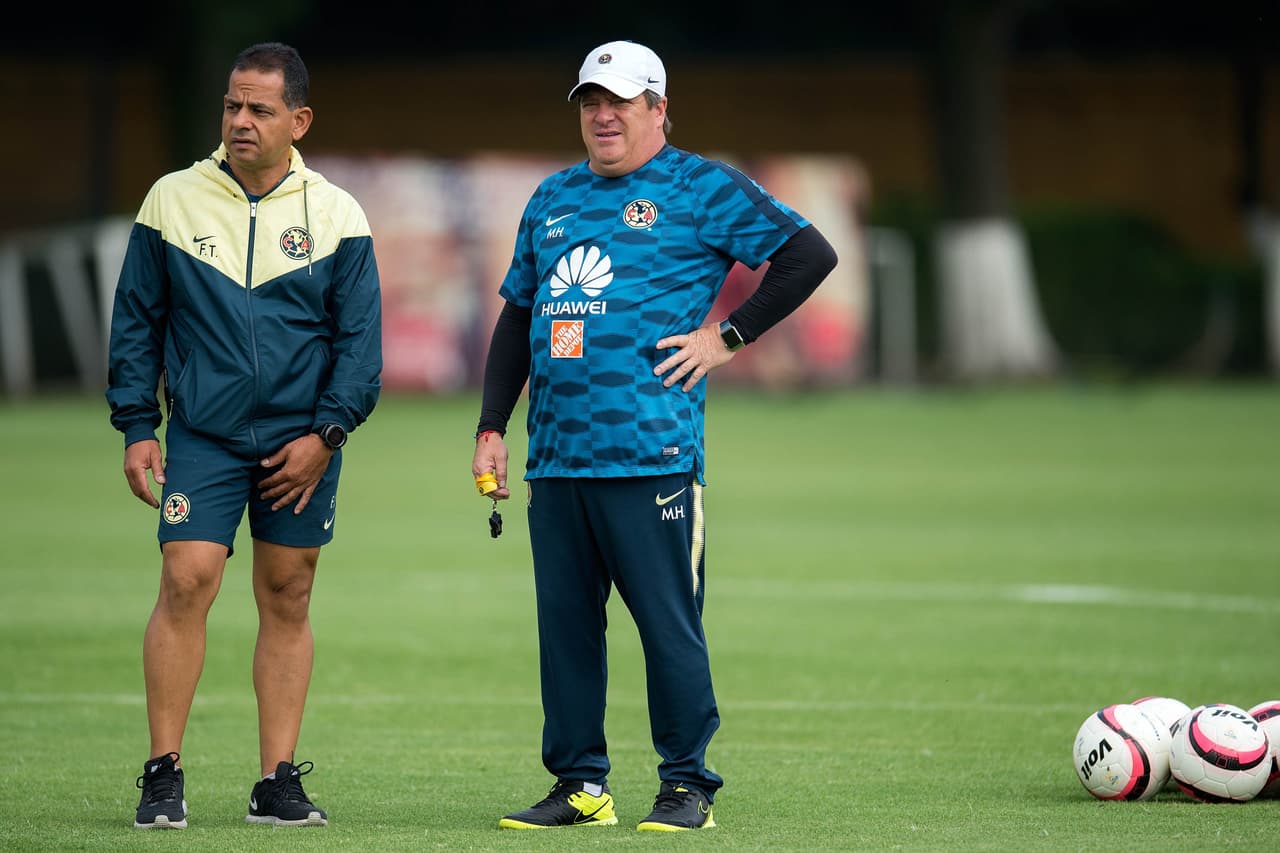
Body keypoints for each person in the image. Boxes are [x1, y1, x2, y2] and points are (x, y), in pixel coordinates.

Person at [471, 39, 837, 832]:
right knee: (565, 632)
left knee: (669, 628)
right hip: (559, 459)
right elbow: (519, 315)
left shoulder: (700, 185)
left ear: (658, 108)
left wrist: (725, 338)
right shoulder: (552, 196)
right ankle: (579, 786)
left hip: (653, 455)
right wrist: (492, 426)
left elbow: (808, 253)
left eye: (619, 102)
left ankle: (686, 785)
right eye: (590, 102)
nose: (602, 115)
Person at [106, 41, 382, 830]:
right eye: (232, 105)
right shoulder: (170, 200)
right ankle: (163, 773)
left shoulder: (337, 214)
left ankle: (276, 780)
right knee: (187, 577)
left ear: (299, 119)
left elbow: (360, 345)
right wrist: (136, 423)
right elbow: (137, 322)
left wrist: (326, 434)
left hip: (305, 440)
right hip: (204, 432)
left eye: (260, 109)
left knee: (288, 594)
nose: (240, 121)